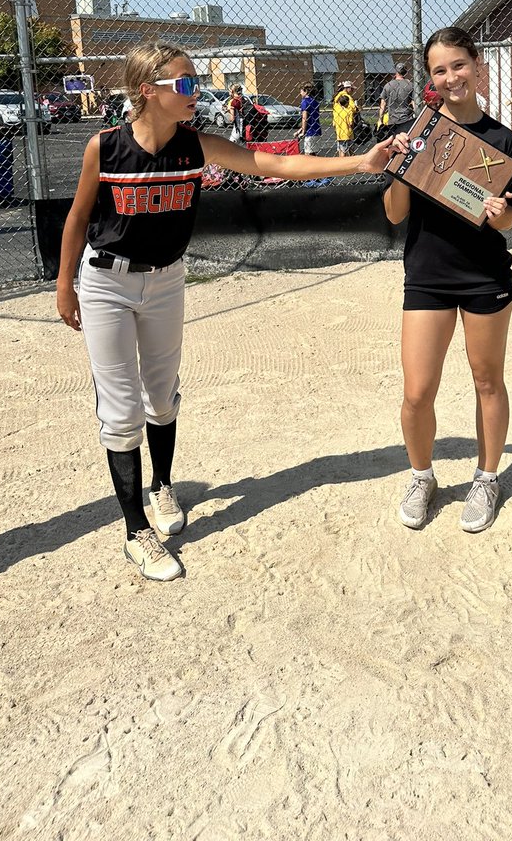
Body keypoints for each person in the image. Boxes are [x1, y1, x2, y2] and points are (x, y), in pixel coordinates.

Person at [56, 42, 394, 582]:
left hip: (166, 280)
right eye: (186, 84)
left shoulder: (195, 147)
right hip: (107, 284)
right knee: (120, 410)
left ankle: (162, 486)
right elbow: (77, 217)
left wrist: (360, 160)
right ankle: (134, 531)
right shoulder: (105, 147)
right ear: (149, 91)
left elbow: (274, 162)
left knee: (162, 393)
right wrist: (64, 285)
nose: (196, 93)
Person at [383, 26, 512, 534]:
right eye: (439, 70)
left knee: (487, 381)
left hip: (484, 276)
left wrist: (498, 211)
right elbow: (395, 215)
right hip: (427, 277)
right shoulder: (419, 132)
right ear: (430, 78)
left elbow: (509, 221)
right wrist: (401, 169)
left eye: (458, 65)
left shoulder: (501, 140)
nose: (450, 77)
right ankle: (423, 477)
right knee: (417, 391)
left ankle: (487, 478)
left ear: (477, 65)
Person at [379, 62, 415, 140]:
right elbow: (414, 103)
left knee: (394, 141)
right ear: (405, 72)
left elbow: (383, 104)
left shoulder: (388, 85)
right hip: (406, 120)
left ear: (396, 72)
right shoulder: (410, 85)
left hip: (392, 120)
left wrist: (380, 120)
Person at [332, 81, 358, 156]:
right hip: (348, 131)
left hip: (339, 129)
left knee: (341, 150)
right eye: (352, 89)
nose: (352, 91)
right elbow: (354, 109)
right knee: (351, 151)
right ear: (347, 88)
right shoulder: (347, 97)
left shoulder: (337, 97)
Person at [298, 84, 322, 154]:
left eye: (301, 91)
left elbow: (305, 118)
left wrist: (303, 132)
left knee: (308, 154)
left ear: (306, 92)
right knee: (314, 154)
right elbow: (312, 117)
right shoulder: (315, 102)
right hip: (317, 130)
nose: (300, 93)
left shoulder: (304, 102)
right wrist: (299, 130)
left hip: (310, 132)